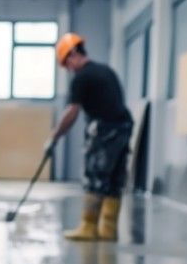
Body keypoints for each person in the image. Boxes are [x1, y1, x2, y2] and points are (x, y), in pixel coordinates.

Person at [50, 32, 134, 241]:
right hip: (124, 127)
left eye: (66, 63)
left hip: (105, 130)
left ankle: (88, 227)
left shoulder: (82, 78)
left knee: (95, 175)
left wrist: (54, 137)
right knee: (115, 178)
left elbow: (72, 112)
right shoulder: (105, 71)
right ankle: (108, 229)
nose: (68, 69)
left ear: (72, 55)